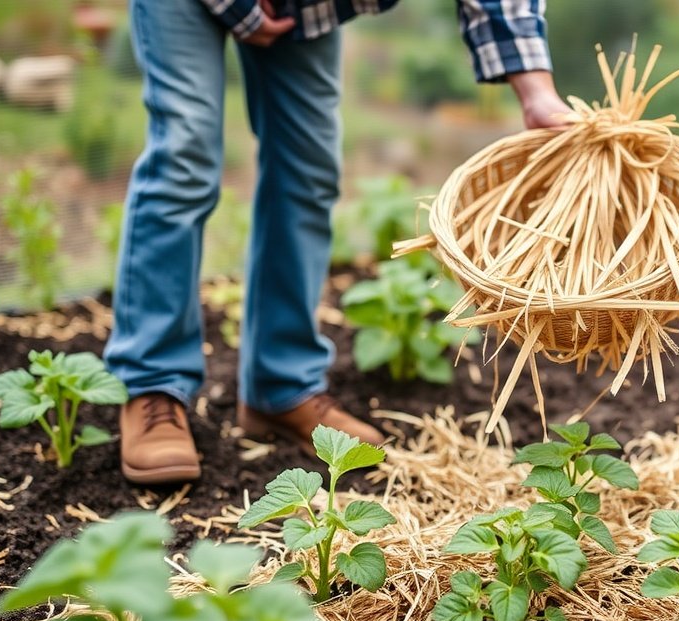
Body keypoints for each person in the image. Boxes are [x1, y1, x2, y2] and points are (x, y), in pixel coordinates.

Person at [105, 0, 571, 484]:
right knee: (186, 154)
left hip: (301, 10)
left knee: (307, 168)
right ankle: (154, 383)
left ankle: (280, 388)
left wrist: (535, 89)